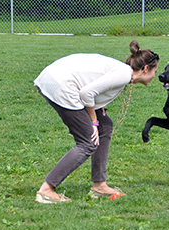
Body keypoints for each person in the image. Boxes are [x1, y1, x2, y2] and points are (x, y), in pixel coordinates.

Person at [33, 40, 159, 203]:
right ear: (146, 68)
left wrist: (99, 113)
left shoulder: (123, 72)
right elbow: (86, 93)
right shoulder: (124, 74)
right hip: (61, 85)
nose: (155, 76)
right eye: (155, 71)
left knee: (105, 124)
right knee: (87, 143)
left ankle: (99, 185)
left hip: (55, 78)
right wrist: (93, 121)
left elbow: (94, 87)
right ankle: (46, 191)